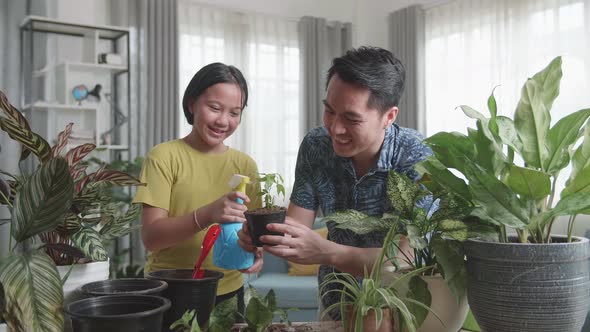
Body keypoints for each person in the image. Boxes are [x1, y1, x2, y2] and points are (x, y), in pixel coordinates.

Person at [237, 46, 433, 320]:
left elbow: (402, 259)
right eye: (329, 111)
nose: (335, 128)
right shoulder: (316, 145)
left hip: (399, 308)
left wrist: (327, 252)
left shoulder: (417, 156)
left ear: (389, 116)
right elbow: (296, 229)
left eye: (352, 119)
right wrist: (262, 238)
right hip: (335, 303)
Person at [133, 62, 262, 314]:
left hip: (229, 293)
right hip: (170, 290)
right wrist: (208, 214)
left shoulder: (245, 165)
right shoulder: (164, 157)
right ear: (192, 104)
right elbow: (151, 238)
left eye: (235, 113)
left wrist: (256, 252)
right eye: (214, 108)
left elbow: (251, 233)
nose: (223, 121)